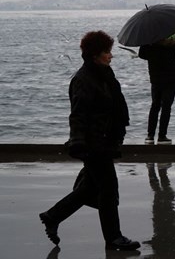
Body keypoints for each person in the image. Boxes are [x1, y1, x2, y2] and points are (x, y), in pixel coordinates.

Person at [39, 30, 140, 251]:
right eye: (107, 52)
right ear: (95, 55)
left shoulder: (104, 75)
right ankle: (114, 238)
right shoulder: (83, 80)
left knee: (90, 189)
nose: (110, 56)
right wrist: (78, 142)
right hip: (94, 144)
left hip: (106, 141)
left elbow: (114, 107)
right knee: (108, 190)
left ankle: (52, 216)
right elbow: (78, 114)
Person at [139, 33, 175, 145]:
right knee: (166, 106)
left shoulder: (149, 38)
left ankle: (150, 136)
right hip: (171, 76)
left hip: (155, 75)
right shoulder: (173, 37)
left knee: (155, 105)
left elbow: (142, 55)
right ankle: (162, 136)